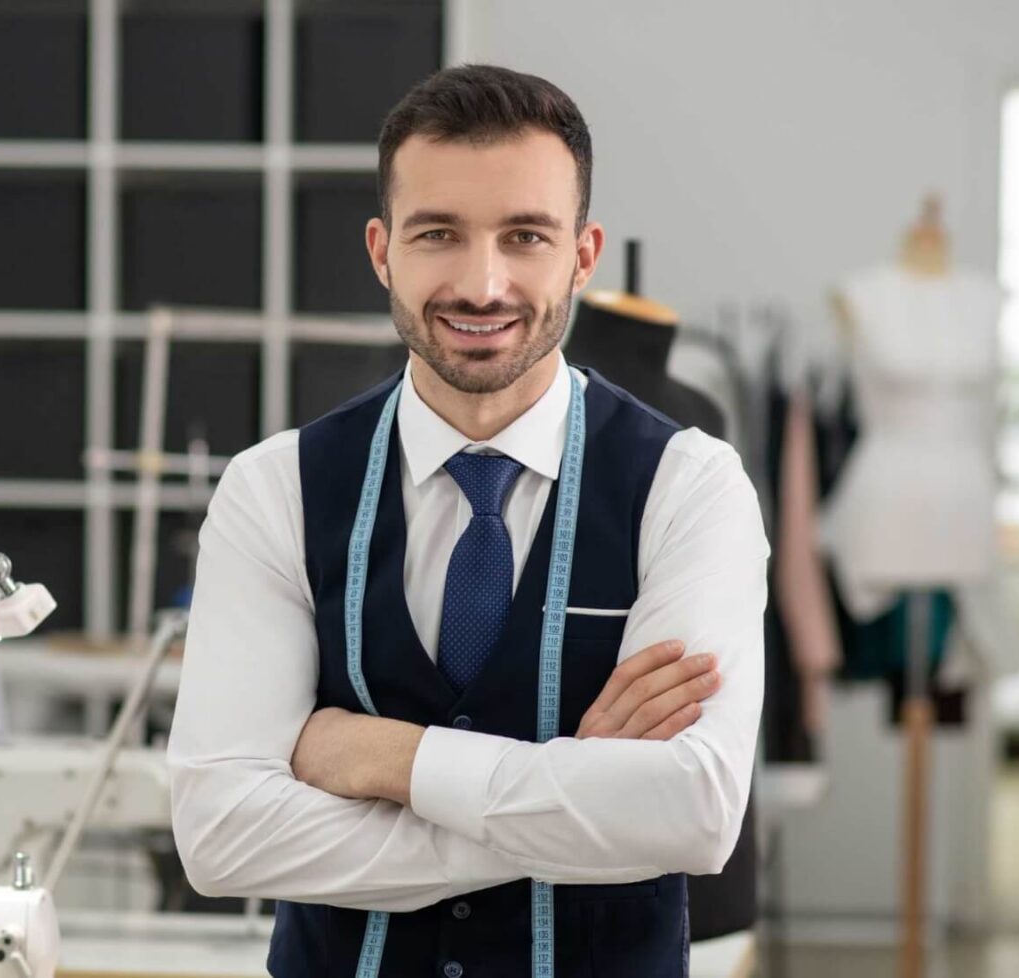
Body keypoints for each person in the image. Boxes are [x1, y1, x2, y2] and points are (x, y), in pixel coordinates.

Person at [168, 64, 769, 977]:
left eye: (524, 236)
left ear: (582, 254)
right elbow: (223, 837)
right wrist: (574, 802)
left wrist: (390, 758)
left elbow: (693, 812)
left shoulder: (690, 487)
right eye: (439, 234)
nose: (483, 285)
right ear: (382, 251)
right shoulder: (274, 489)